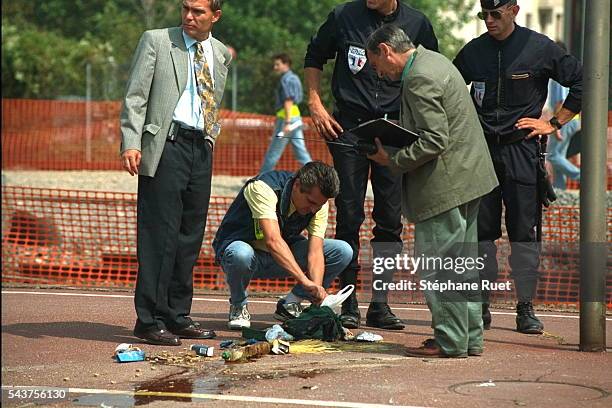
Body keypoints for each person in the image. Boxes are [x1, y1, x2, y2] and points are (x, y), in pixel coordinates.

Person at [304, 0, 438, 330]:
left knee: (390, 219)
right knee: (349, 215)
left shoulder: (418, 23)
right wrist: (315, 103)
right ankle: (348, 302)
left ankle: (380, 304)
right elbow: (314, 57)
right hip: (349, 129)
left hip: (394, 132)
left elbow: (430, 70)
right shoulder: (343, 16)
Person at [365, 25, 498, 357]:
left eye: (375, 64)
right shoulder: (435, 61)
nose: (378, 72)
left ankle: (452, 341)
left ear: (385, 50)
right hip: (469, 178)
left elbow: (434, 140)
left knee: (440, 267)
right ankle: (469, 339)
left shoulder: (418, 77)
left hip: (445, 185)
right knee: (463, 265)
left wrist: (392, 159)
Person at [453, 0, 582, 334]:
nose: (489, 21)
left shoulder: (539, 48)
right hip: (481, 154)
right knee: (481, 235)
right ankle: (480, 304)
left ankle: (525, 308)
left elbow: (582, 82)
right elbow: (448, 89)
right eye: (484, 15)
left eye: (496, 14)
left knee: (524, 235)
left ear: (514, 10)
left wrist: (553, 123)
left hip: (521, 151)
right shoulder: (473, 51)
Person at [120, 0, 232, 346]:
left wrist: (211, 136)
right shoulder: (156, 40)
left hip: (201, 147)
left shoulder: (219, 52)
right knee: (160, 234)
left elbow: (212, 99)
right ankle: (148, 320)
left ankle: (177, 315)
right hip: (166, 144)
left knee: (189, 234)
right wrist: (131, 141)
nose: (188, 16)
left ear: (215, 16)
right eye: (185, 8)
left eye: (198, 11)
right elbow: (136, 96)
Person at [212, 161, 353, 329]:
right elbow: (273, 240)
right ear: (297, 185)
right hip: (243, 258)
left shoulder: (318, 204)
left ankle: (290, 304)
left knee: (342, 251)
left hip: (280, 259)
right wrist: (304, 281)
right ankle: (238, 305)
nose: (314, 209)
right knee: (240, 254)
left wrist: (316, 290)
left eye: (319, 205)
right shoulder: (263, 188)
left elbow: (315, 252)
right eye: (311, 202)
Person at [259, 53, 312, 173]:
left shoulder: (286, 79)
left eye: (278, 64)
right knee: (301, 151)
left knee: (274, 151)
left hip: (286, 119)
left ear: (286, 64)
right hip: (295, 118)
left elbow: (288, 101)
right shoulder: (294, 78)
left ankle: (261, 179)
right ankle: (315, 175)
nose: (275, 67)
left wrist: (287, 122)